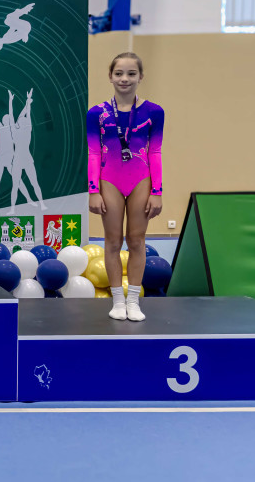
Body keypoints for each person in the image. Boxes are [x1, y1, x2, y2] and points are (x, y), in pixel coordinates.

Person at [87, 53, 164, 321]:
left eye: (131, 73)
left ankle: (133, 301)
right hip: (109, 179)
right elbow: (94, 152)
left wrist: (157, 191)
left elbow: (155, 152)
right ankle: (117, 300)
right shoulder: (97, 113)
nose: (125, 79)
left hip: (141, 179)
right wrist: (93, 190)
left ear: (141, 77)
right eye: (119, 73)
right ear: (110, 76)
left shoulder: (154, 112)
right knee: (112, 241)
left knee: (136, 240)